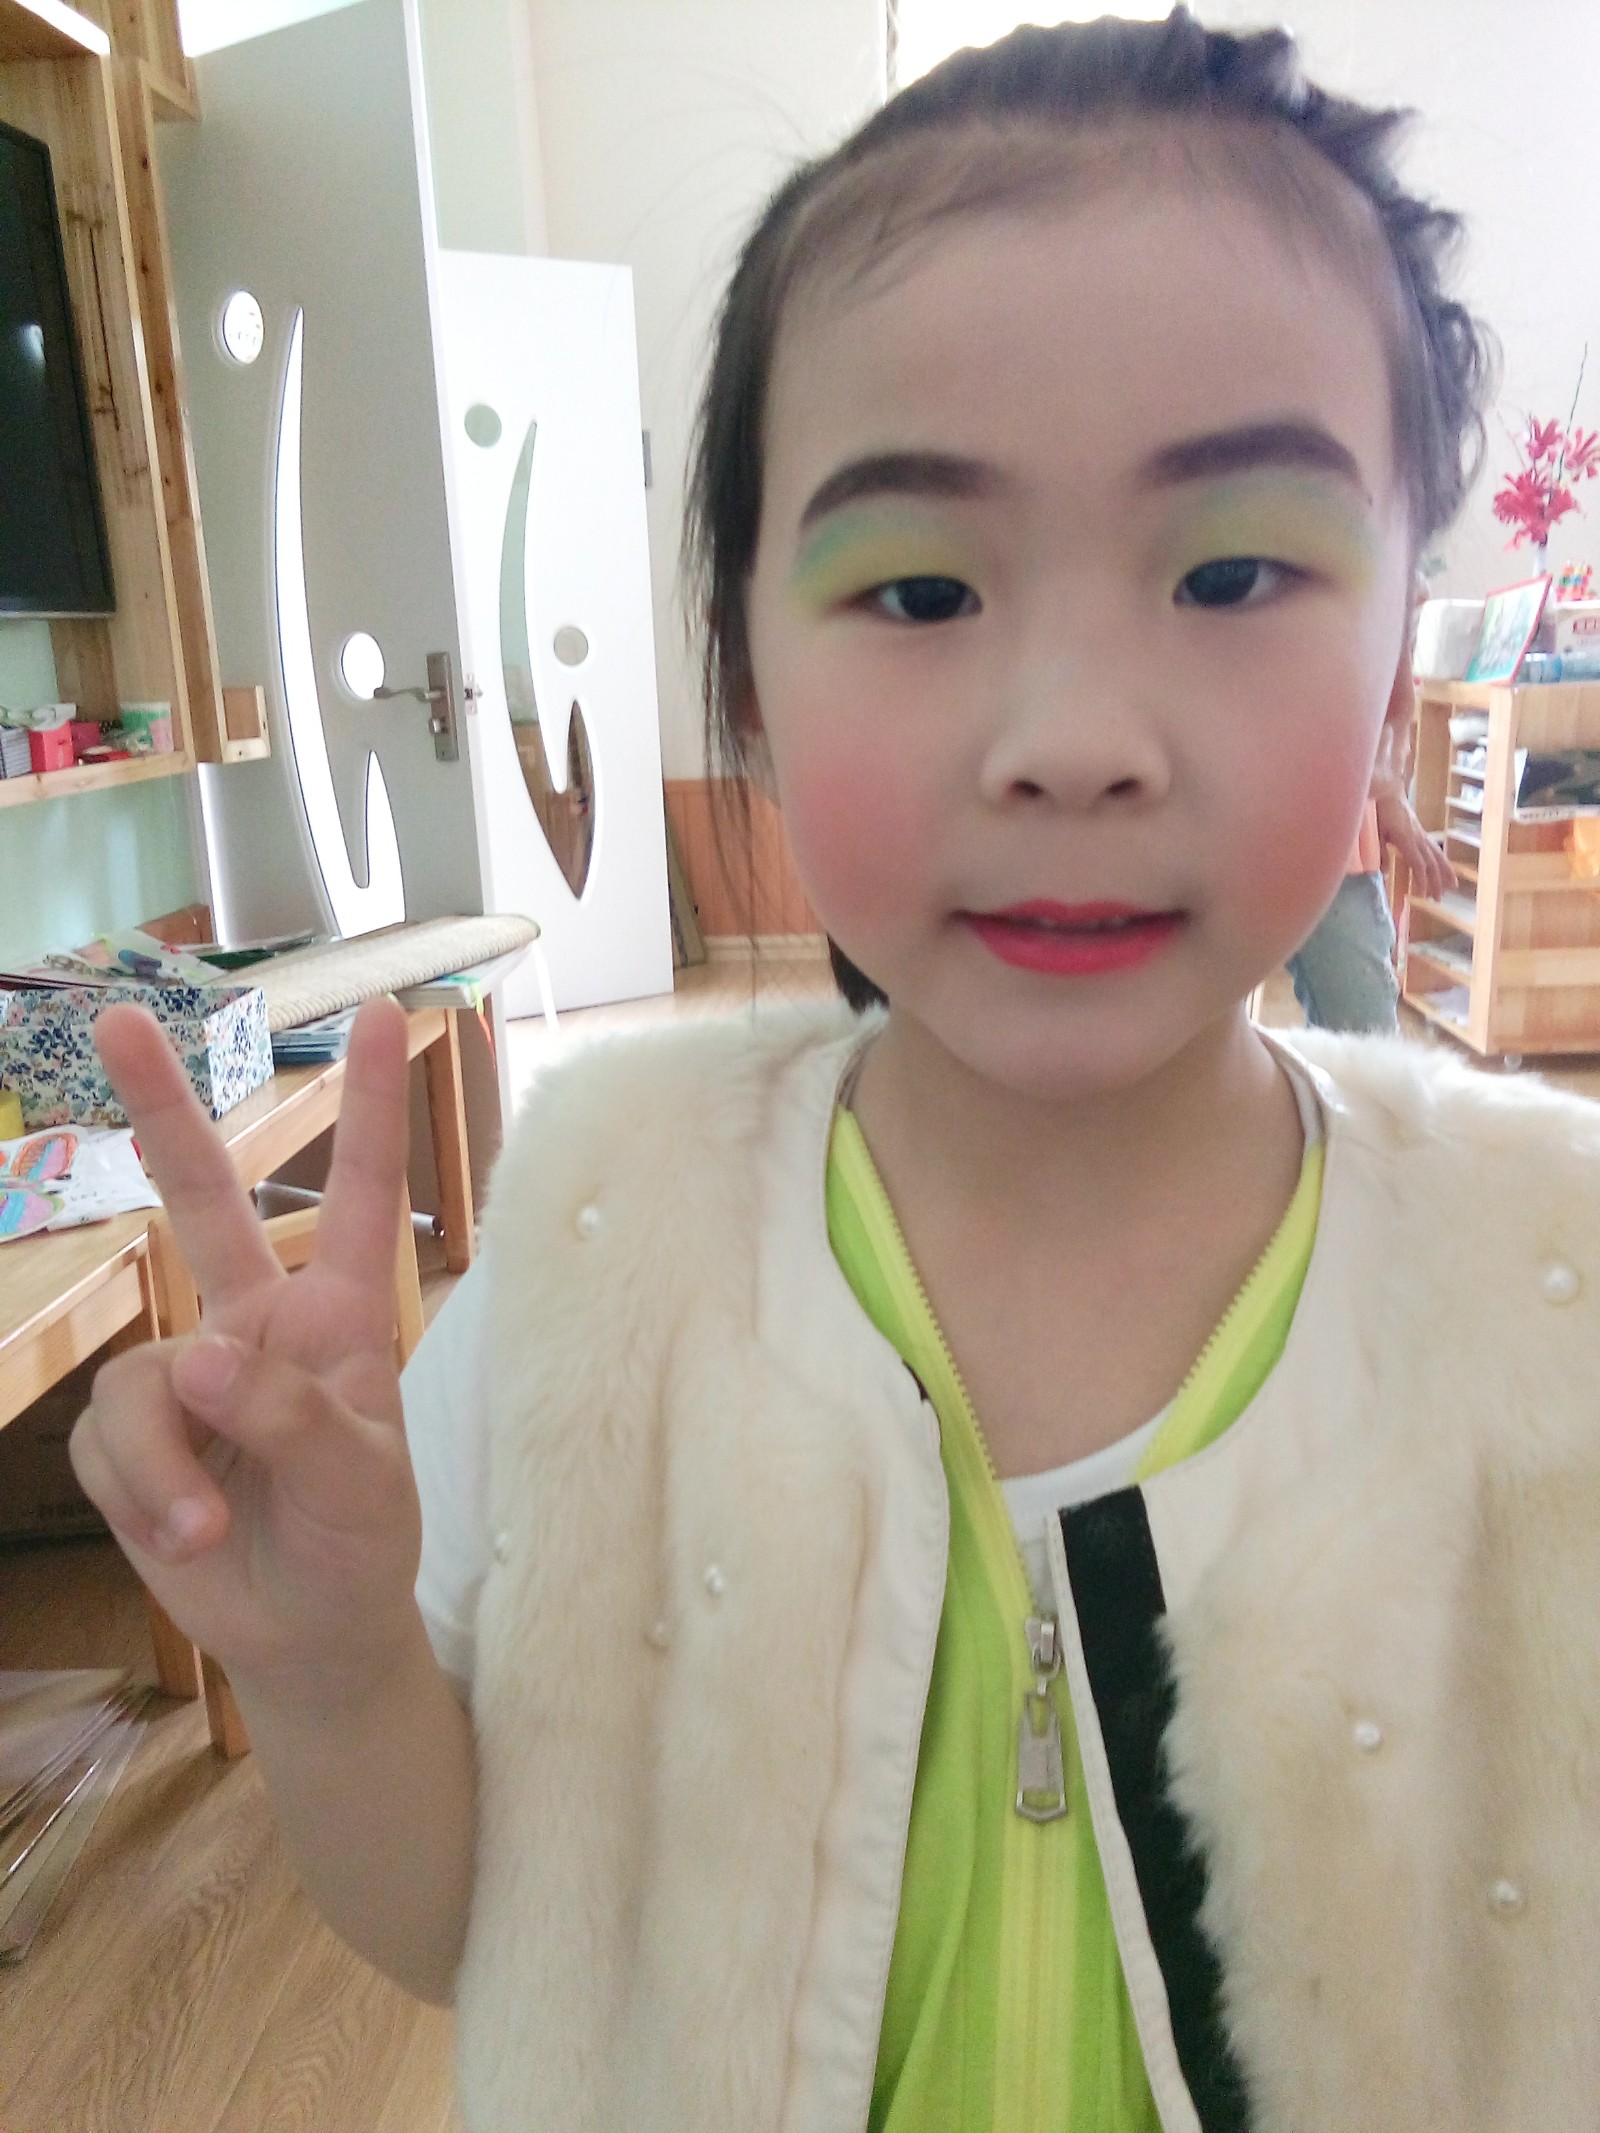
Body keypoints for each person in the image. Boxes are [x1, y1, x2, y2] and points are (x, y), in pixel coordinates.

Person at [70, 15, 1600, 2132]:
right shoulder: (610, 1235)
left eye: (1231, 571)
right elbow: (480, 1931)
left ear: (1400, 639)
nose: (1072, 737)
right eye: (921, 586)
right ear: (747, 677)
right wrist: (330, 1669)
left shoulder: (1546, 1285)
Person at [1284, 697, 1456, 1032]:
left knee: (1367, 1035)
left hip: (1335, 835)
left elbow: (1390, 684)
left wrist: (1389, 791)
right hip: (1211, 825)